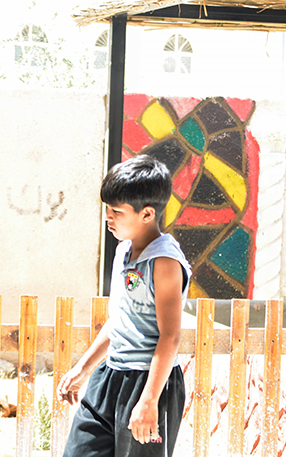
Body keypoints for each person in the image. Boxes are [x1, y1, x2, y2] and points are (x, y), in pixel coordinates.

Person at [56, 154, 191, 457]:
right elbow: (120, 318)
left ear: (146, 214)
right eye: (107, 208)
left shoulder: (165, 262)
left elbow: (170, 337)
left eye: (116, 210)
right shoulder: (123, 250)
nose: (108, 216)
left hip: (149, 383)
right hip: (110, 375)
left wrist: (149, 401)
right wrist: (83, 368)